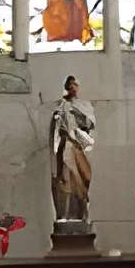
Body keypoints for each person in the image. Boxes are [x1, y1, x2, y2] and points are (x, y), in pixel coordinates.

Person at [49, 73, 96, 230]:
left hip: (79, 147)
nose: (74, 88)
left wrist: (80, 117)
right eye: (72, 85)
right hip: (66, 146)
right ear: (67, 87)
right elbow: (56, 130)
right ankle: (65, 215)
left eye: (76, 84)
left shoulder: (83, 105)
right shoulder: (60, 106)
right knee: (66, 179)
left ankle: (82, 214)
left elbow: (89, 125)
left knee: (82, 179)